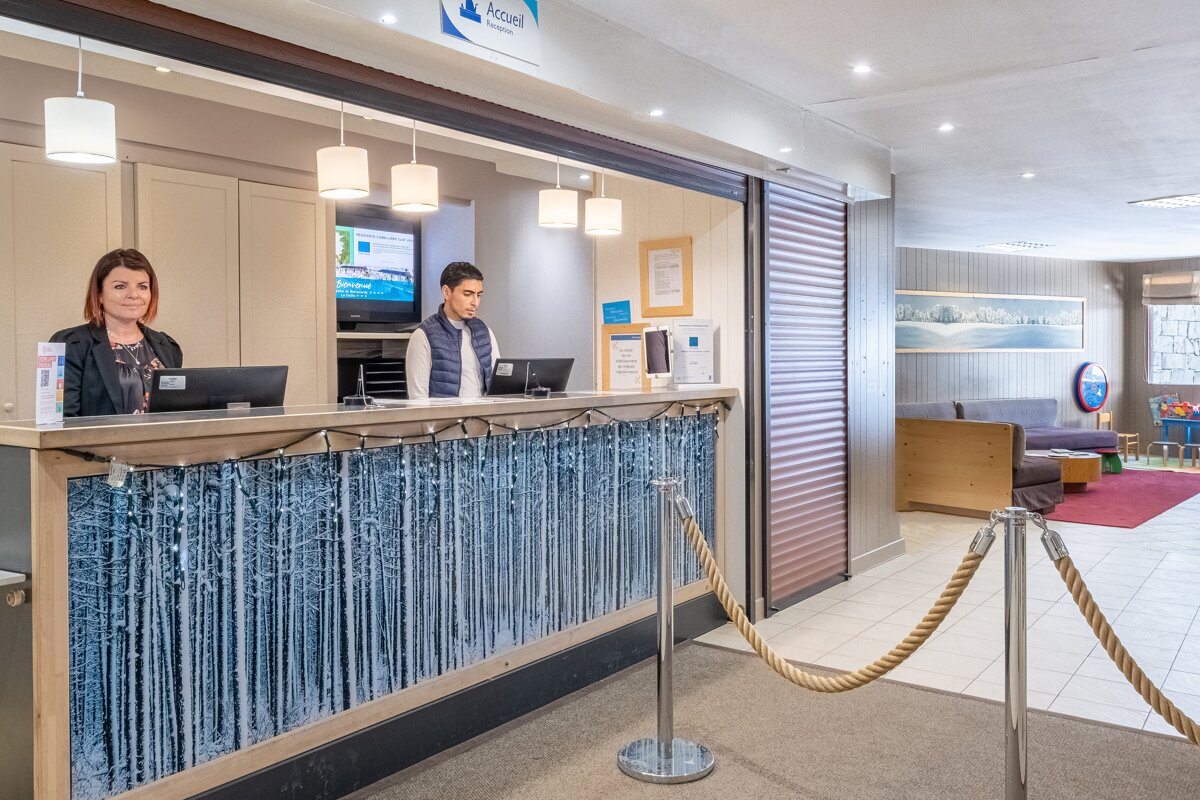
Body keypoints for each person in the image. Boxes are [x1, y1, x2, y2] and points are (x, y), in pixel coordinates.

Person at [50, 248, 182, 417]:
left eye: (142, 286)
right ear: (99, 294)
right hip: (97, 436)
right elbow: (62, 419)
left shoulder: (166, 346)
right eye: (120, 286)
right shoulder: (70, 344)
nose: (134, 295)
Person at [406, 261, 498, 399]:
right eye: (467, 294)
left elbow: (498, 385)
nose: (475, 302)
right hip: (445, 414)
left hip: (483, 413)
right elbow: (418, 398)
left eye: (478, 295)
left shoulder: (485, 332)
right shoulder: (424, 335)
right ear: (446, 292)